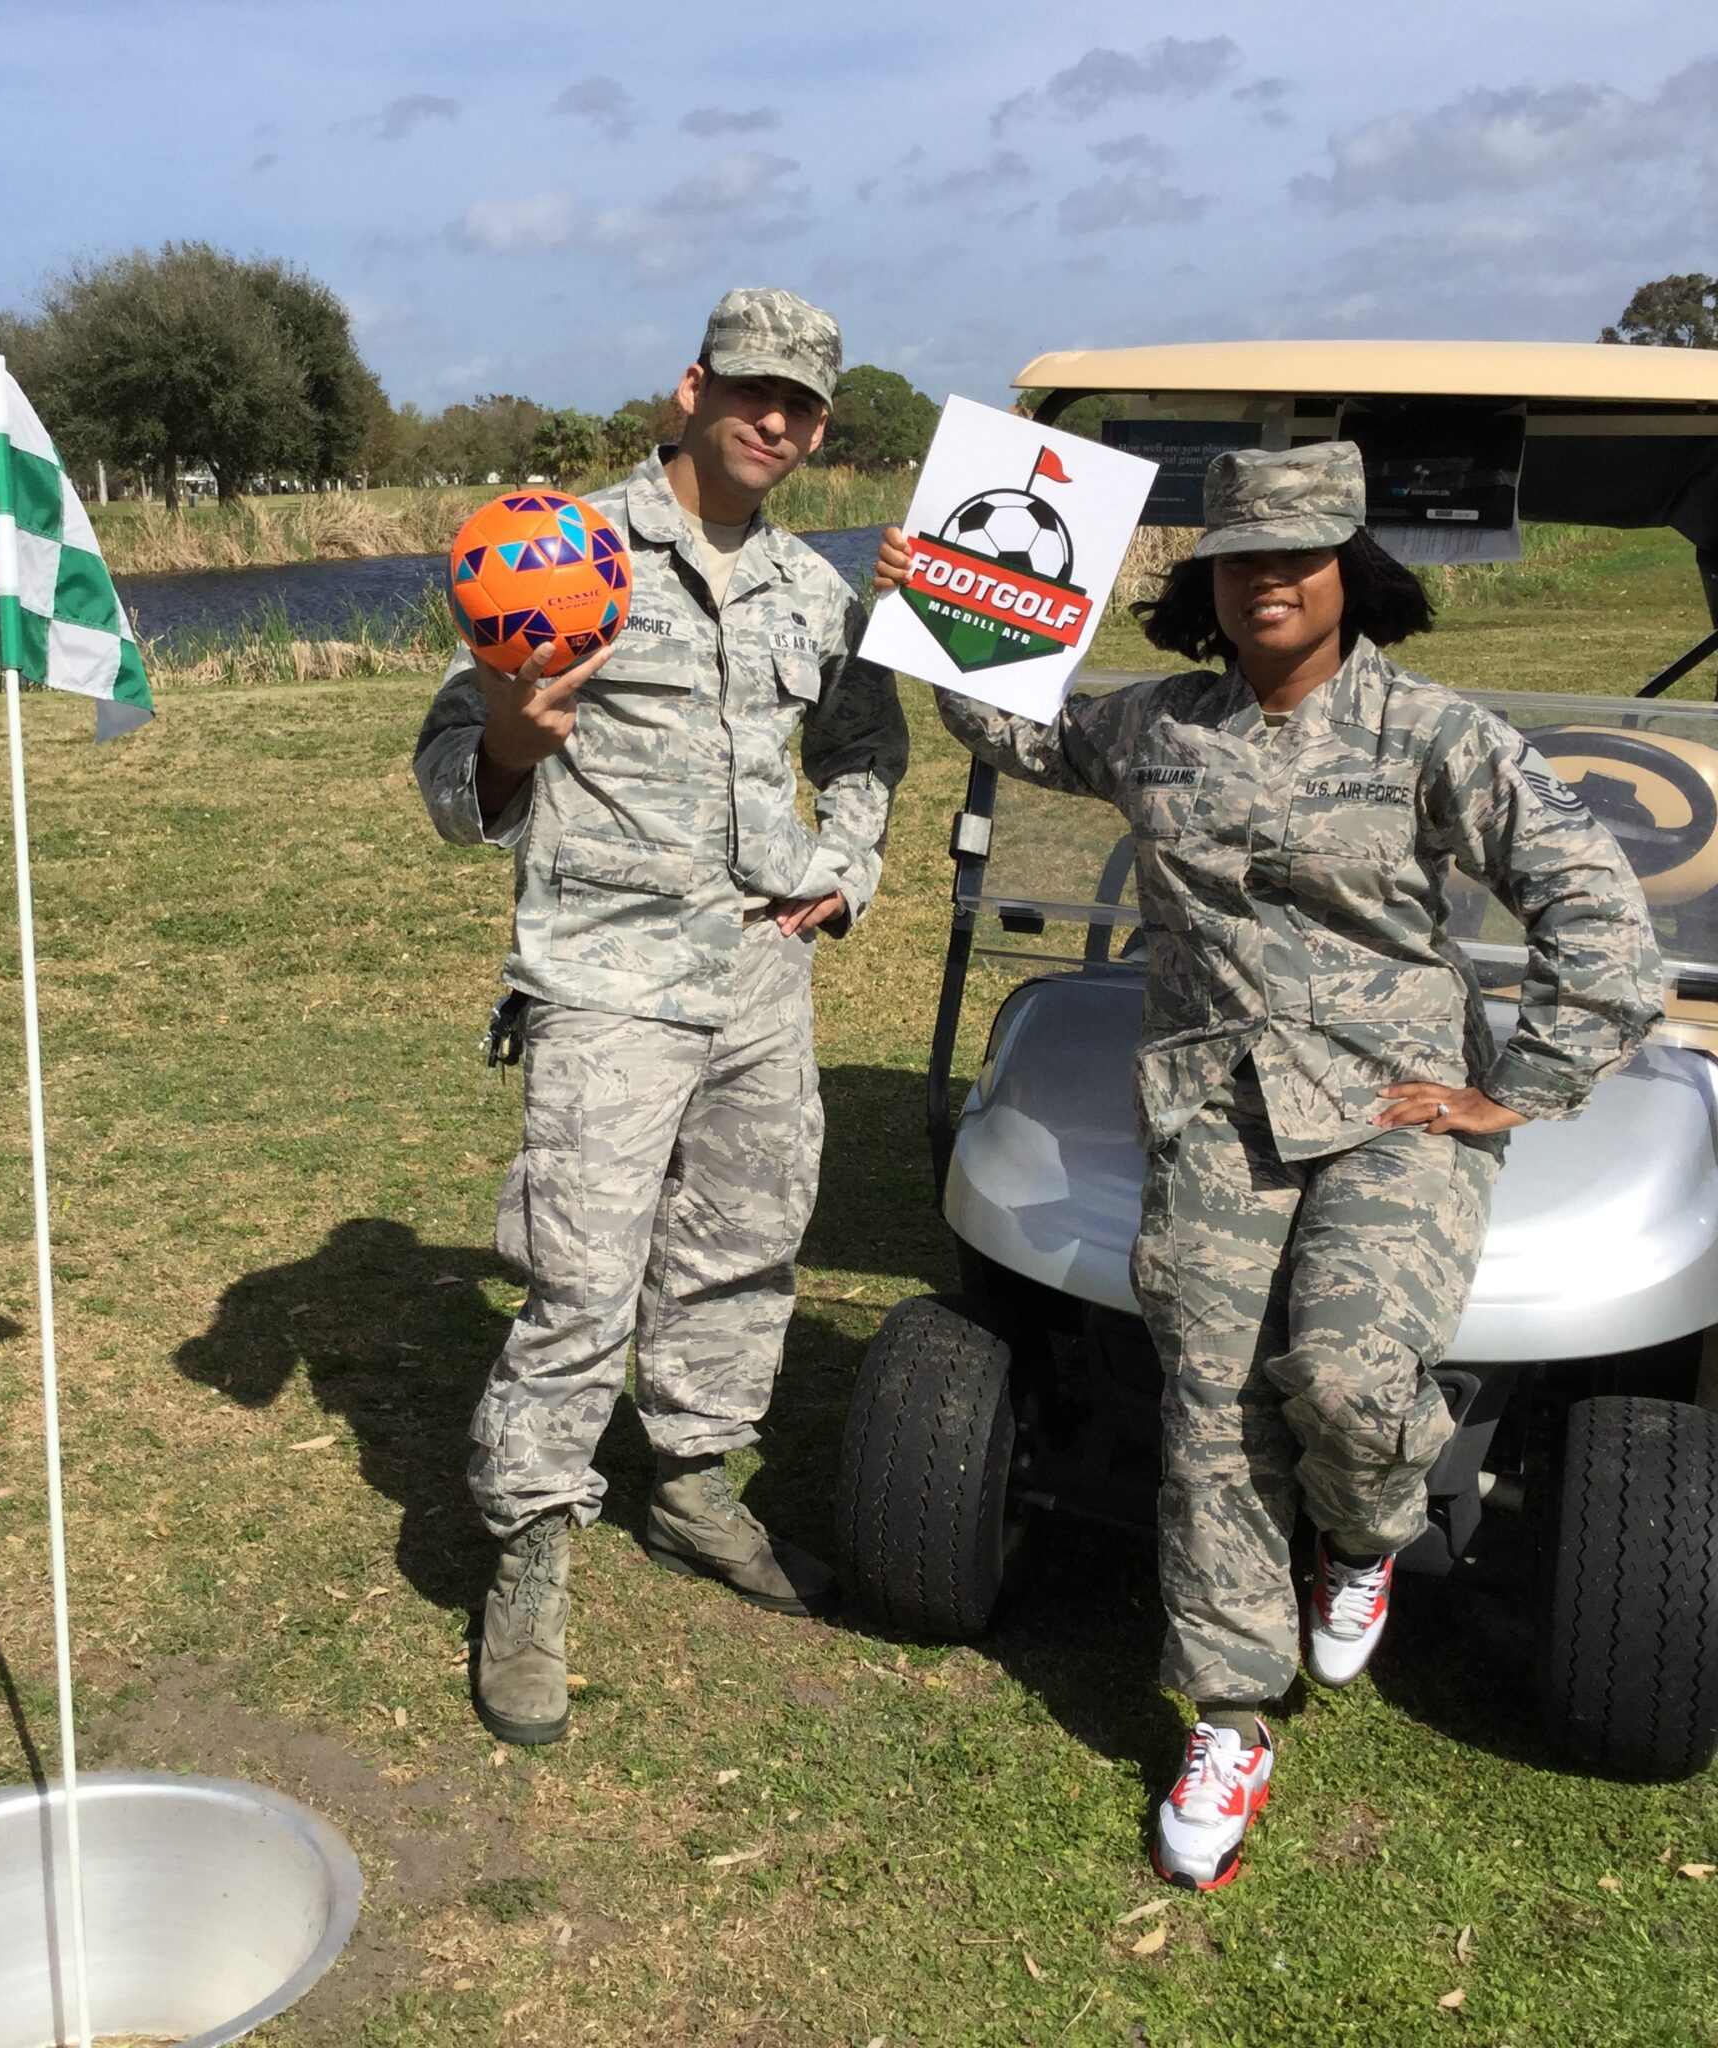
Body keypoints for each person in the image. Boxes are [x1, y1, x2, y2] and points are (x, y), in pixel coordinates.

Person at [876, 442, 1662, 1888]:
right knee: (1214, 1408)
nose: (1270, 583)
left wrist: (1517, 1089)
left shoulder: (1437, 736)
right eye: (1243, 560)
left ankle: (1367, 1533)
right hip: (1213, 1110)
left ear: (1349, 573)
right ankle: (1233, 1712)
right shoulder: (1157, 727)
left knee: (1356, 1378)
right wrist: (944, 607)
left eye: (1298, 557)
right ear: (1212, 583)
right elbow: (1014, 733)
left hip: (1388, 1111)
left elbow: (1598, 916)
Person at [416, 287, 909, 1746]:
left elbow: (866, 739)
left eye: (804, 405)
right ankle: (531, 1551)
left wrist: (853, 864)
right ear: (691, 389)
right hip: (611, 981)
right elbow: (453, 773)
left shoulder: (817, 593)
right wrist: (507, 738)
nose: (776, 420)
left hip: (762, 977)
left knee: (746, 1245)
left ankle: (696, 1485)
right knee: (580, 1281)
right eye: (753, 389)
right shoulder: (563, 551)